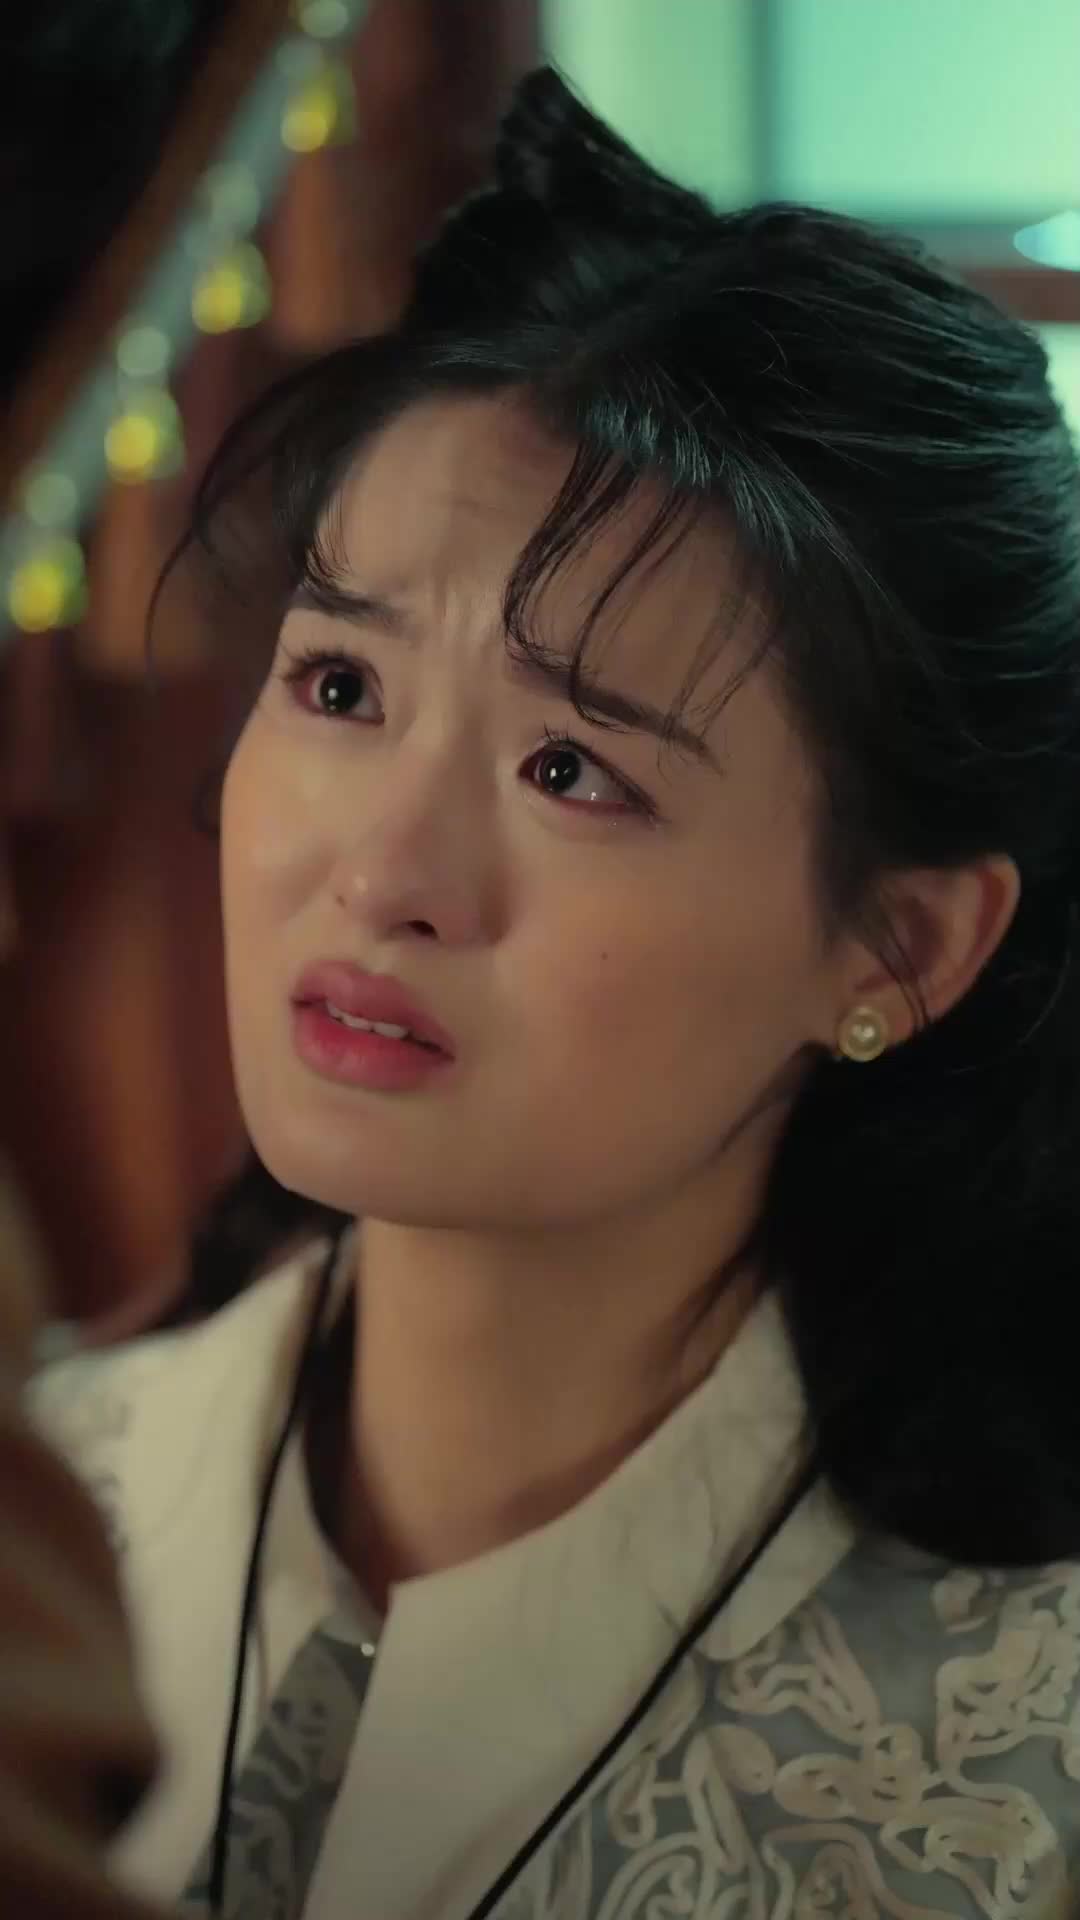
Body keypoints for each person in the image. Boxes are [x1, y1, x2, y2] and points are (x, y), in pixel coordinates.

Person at [23, 63, 1080, 1920]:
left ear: (898, 948)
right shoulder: (47, 1509)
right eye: (340, 688)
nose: (382, 876)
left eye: (572, 770)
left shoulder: (1017, 1761)